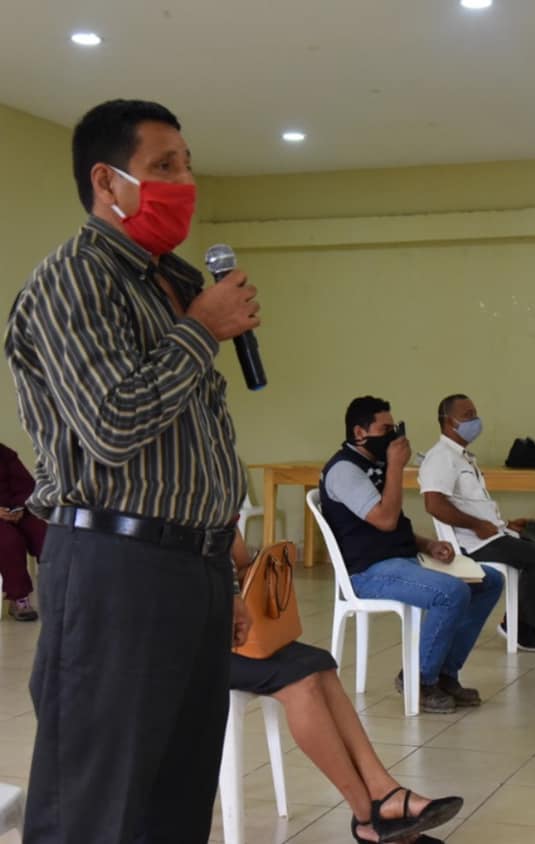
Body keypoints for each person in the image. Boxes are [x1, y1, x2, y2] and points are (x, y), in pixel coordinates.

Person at [4, 99, 259, 843]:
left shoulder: (170, 281)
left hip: (192, 567)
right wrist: (202, 329)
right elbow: (113, 425)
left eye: (188, 165)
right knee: (98, 803)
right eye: (164, 166)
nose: (186, 183)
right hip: (114, 566)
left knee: (176, 792)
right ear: (107, 181)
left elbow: (192, 446)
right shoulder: (73, 279)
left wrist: (222, 567)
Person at [230, 533, 462, 843]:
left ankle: (384, 790)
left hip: (229, 627)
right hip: (191, 645)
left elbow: (239, 556)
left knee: (320, 665)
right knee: (301, 682)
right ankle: (368, 817)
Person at [320, 396, 503, 714]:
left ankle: (444, 674)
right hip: (367, 571)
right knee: (451, 593)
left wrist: (427, 545)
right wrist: (395, 466)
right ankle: (419, 680)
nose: (393, 436)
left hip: (401, 559)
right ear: (360, 433)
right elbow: (385, 519)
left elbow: (394, 527)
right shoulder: (344, 470)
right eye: (385, 429)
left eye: (395, 428)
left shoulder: (376, 464)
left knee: (490, 581)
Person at [419, 394, 535, 652]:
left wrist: (506, 525)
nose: (475, 421)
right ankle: (517, 628)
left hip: (491, 533)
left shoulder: (463, 457)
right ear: (449, 422)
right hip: (471, 542)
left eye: (475, 414)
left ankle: (533, 623)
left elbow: (474, 504)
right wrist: (477, 525)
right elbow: (434, 505)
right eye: (467, 416)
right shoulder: (440, 457)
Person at [0, 443, 46, 620]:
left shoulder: (5, 454)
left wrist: (19, 507)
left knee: (45, 535)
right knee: (9, 542)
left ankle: (60, 590)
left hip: (15, 511)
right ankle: (19, 599)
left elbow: (26, 486)